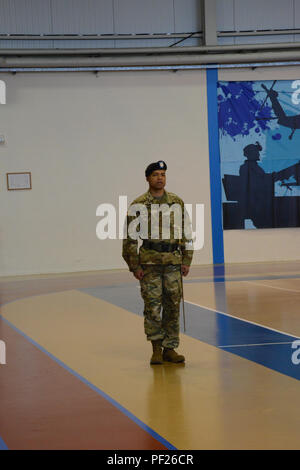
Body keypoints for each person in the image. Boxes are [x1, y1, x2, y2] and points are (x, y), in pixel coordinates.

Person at [122, 161, 193, 365]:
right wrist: (134, 266)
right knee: (153, 307)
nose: (160, 178)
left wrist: (186, 259)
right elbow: (129, 238)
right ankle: (155, 348)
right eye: (155, 174)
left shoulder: (176, 202)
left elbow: (186, 231)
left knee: (172, 305)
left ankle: (170, 348)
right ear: (147, 178)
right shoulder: (139, 204)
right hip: (150, 264)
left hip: (173, 263)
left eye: (163, 174)